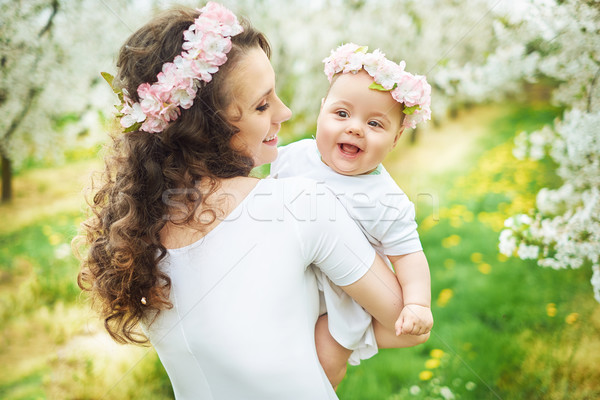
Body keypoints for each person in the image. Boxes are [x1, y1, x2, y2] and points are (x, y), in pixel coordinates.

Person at [76, 4, 426, 399]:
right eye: (263, 105)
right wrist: (338, 340)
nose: (286, 111)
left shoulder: (137, 227)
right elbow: (405, 324)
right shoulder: (301, 204)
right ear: (205, 125)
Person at [271, 43, 434, 387]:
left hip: (341, 302)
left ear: (396, 139)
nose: (355, 128)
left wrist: (417, 304)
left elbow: (408, 255)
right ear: (321, 111)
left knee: (325, 362)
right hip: (289, 276)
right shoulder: (292, 157)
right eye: (342, 114)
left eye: (375, 123)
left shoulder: (386, 199)